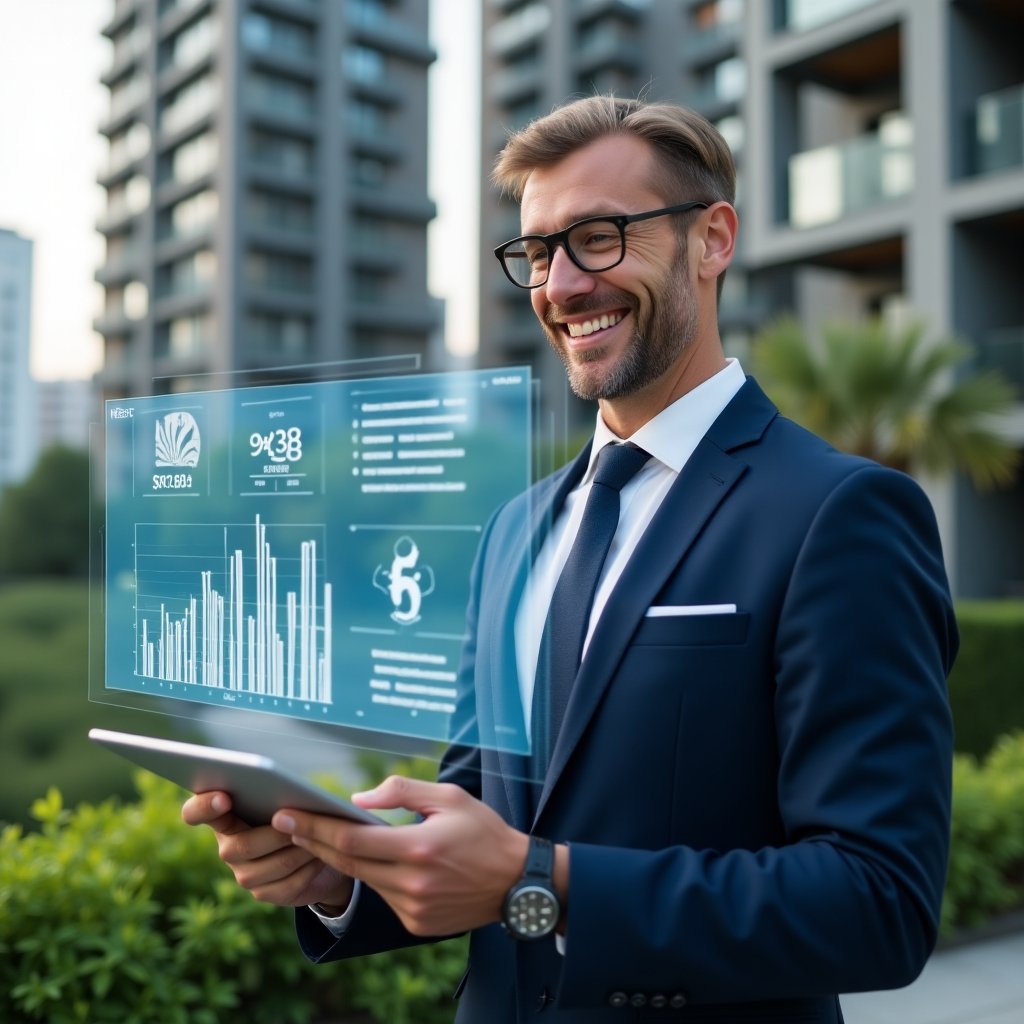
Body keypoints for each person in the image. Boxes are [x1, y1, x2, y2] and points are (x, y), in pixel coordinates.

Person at [183, 96, 957, 1023]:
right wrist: (340, 870)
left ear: (712, 240)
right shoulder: (516, 528)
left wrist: (531, 883)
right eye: (539, 253)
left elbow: (879, 903)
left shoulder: (841, 513)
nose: (560, 285)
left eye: (598, 237)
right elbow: (480, 813)